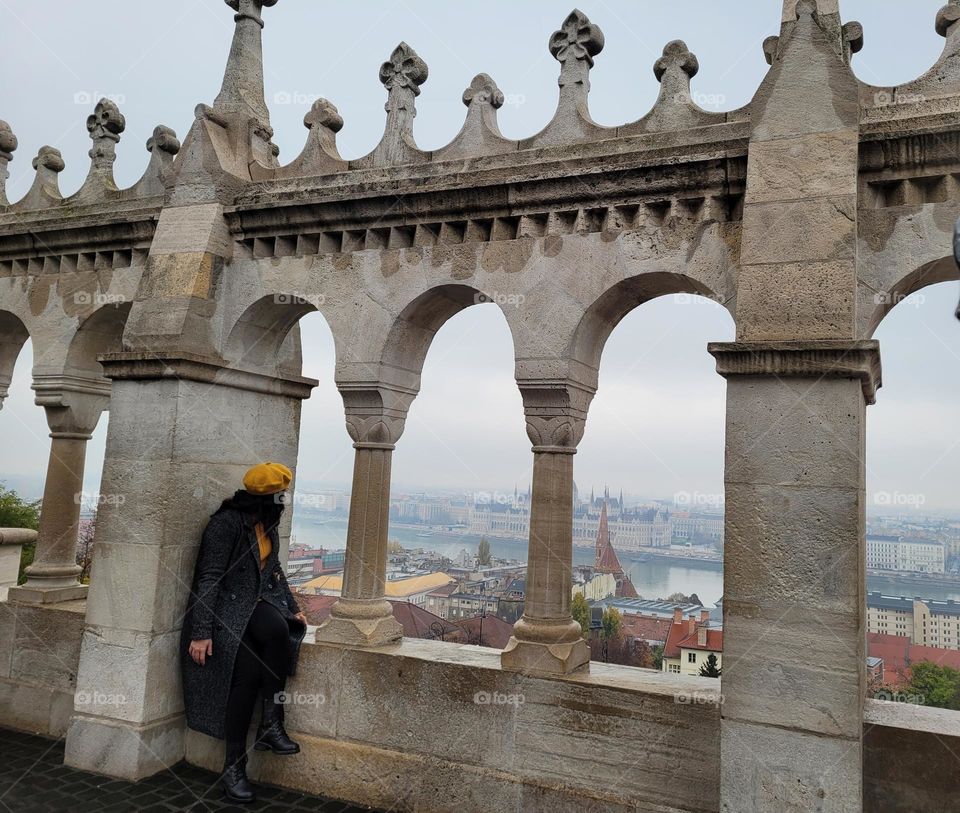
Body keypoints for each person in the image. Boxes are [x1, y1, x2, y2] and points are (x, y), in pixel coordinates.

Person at [181, 462, 307, 803]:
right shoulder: (226, 524)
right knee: (261, 656)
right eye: (281, 494)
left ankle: (267, 727)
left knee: (262, 657)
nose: (285, 500)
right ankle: (243, 756)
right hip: (225, 611)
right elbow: (209, 577)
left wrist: (292, 605)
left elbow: (273, 570)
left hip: (255, 604)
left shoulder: (268, 522)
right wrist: (201, 631)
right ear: (269, 496)